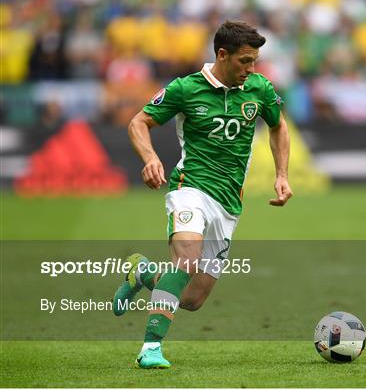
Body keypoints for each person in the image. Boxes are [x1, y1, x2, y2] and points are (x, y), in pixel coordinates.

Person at [112, 21, 293, 369]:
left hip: (228, 203)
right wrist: (150, 158)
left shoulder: (260, 88)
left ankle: (143, 273)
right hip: (189, 188)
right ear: (222, 55)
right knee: (186, 260)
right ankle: (151, 348)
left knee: (193, 298)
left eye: (255, 61)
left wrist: (281, 175)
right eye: (244, 61)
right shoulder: (185, 88)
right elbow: (139, 122)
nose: (251, 68)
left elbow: (278, 126)